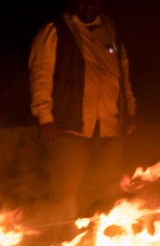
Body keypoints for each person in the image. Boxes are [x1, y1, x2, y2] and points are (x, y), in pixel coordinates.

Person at [28, 0, 137, 220]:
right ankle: (64, 241)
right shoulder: (56, 30)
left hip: (109, 127)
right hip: (71, 127)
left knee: (106, 190)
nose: (89, 6)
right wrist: (45, 116)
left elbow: (122, 75)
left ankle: (98, 244)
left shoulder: (110, 32)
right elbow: (41, 75)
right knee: (66, 192)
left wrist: (131, 111)